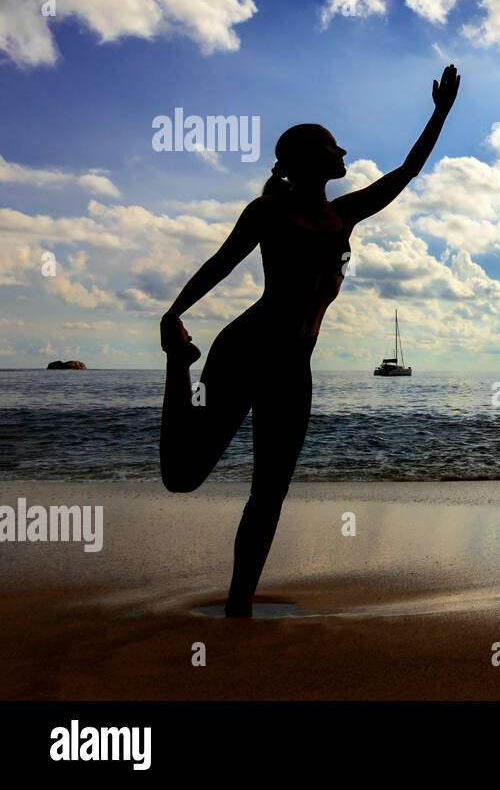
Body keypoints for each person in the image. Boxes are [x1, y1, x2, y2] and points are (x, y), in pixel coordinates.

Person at [158, 64, 461, 616]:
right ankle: (178, 365)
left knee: (270, 492)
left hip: (295, 369)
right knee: (182, 477)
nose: (341, 150)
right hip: (246, 352)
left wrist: (439, 113)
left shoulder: (343, 215)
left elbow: (407, 172)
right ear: (302, 160)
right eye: (330, 145)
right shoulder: (268, 212)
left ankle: (238, 609)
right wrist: (173, 313)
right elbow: (221, 263)